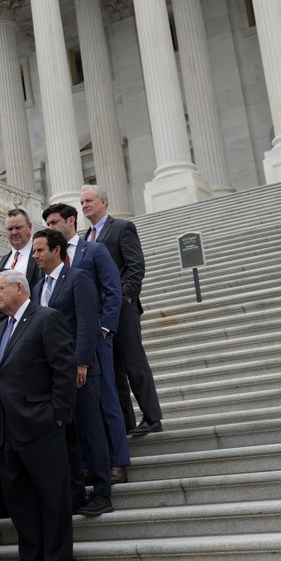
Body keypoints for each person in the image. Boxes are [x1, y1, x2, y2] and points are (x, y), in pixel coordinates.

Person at [0, 271, 78, 561]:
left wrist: (57, 415)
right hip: (4, 429)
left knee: (52, 496)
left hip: (40, 424)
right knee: (20, 500)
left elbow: (63, 370)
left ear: (19, 288)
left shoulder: (46, 319)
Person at [44, 203, 130, 484]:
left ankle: (118, 460)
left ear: (71, 220)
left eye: (56, 222)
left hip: (95, 338)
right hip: (65, 347)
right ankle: (89, 463)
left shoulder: (93, 250)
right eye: (49, 224)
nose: (52, 227)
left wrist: (104, 328)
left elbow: (112, 290)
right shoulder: (49, 261)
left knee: (106, 399)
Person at [31, 229, 113, 518]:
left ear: (57, 250)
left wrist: (82, 363)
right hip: (55, 374)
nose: (35, 256)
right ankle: (76, 492)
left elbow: (88, 322)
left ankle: (103, 491)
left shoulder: (78, 278)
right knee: (69, 435)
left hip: (79, 370)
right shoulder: (38, 286)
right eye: (34, 251)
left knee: (91, 430)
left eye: (40, 250)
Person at [80, 184, 163, 441]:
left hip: (123, 308)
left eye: (89, 201)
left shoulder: (122, 228)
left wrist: (125, 297)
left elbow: (136, 265)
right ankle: (126, 421)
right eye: (82, 203)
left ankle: (152, 417)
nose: (84, 206)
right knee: (113, 368)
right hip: (99, 313)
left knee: (133, 361)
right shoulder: (85, 237)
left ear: (104, 202)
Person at [0, 208, 41, 292]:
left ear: (30, 226)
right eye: (10, 229)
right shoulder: (4, 260)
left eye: (18, 228)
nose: (14, 232)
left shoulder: (40, 253)